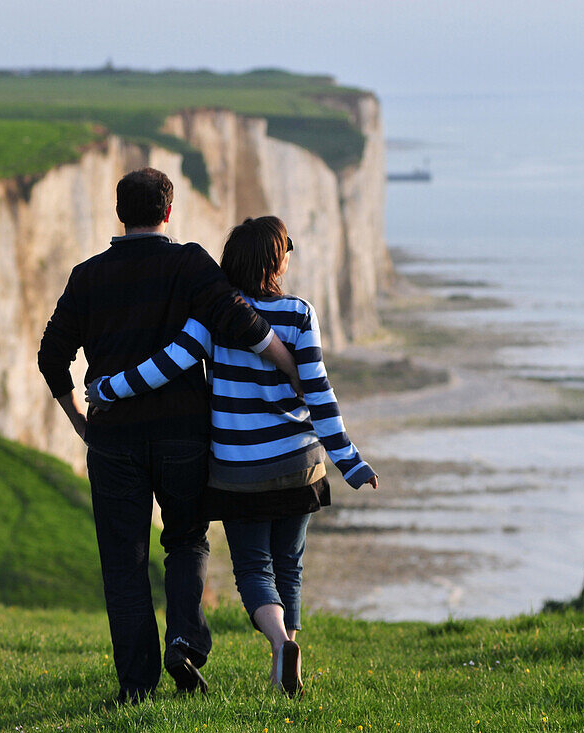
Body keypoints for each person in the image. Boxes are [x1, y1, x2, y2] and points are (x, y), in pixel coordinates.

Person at [37, 169, 299, 704]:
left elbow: (51, 357)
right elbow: (241, 321)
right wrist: (295, 371)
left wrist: (80, 423)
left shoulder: (86, 277)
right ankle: (183, 640)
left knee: (123, 559)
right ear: (169, 212)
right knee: (185, 539)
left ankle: (136, 686)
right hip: (184, 435)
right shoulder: (189, 264)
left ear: (119, 214)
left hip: (113, 441)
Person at [86, 215, 378, 697]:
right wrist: (350, 462)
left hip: (238, 472)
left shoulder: (213, 319)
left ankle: (281, 644)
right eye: (288, 249)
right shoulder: (300, 314)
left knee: (253, 570)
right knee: (290, 566)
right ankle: (285, 651)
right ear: (276, 260)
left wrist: (108, 389)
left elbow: (166, 365)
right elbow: (319, 393)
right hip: (298, 465)